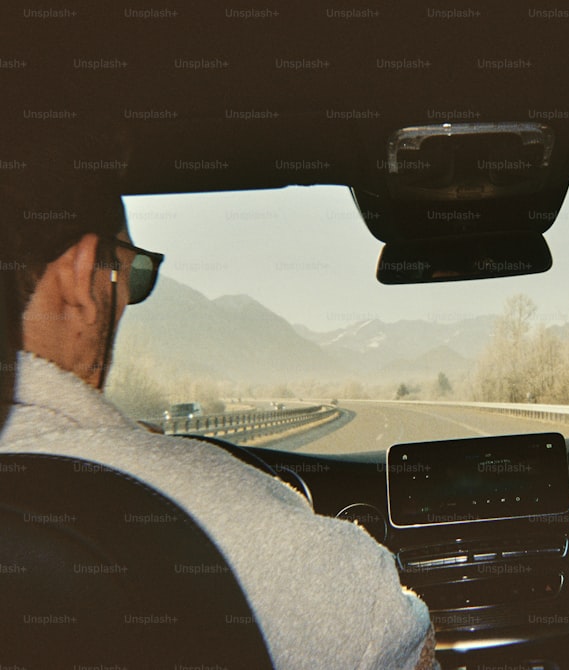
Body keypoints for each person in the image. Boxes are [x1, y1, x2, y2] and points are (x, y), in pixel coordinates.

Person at [0, 136, 438, 670]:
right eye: (135, 276)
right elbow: (395, 636)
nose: (127, 305)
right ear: (80, 279)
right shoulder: (215, 512)